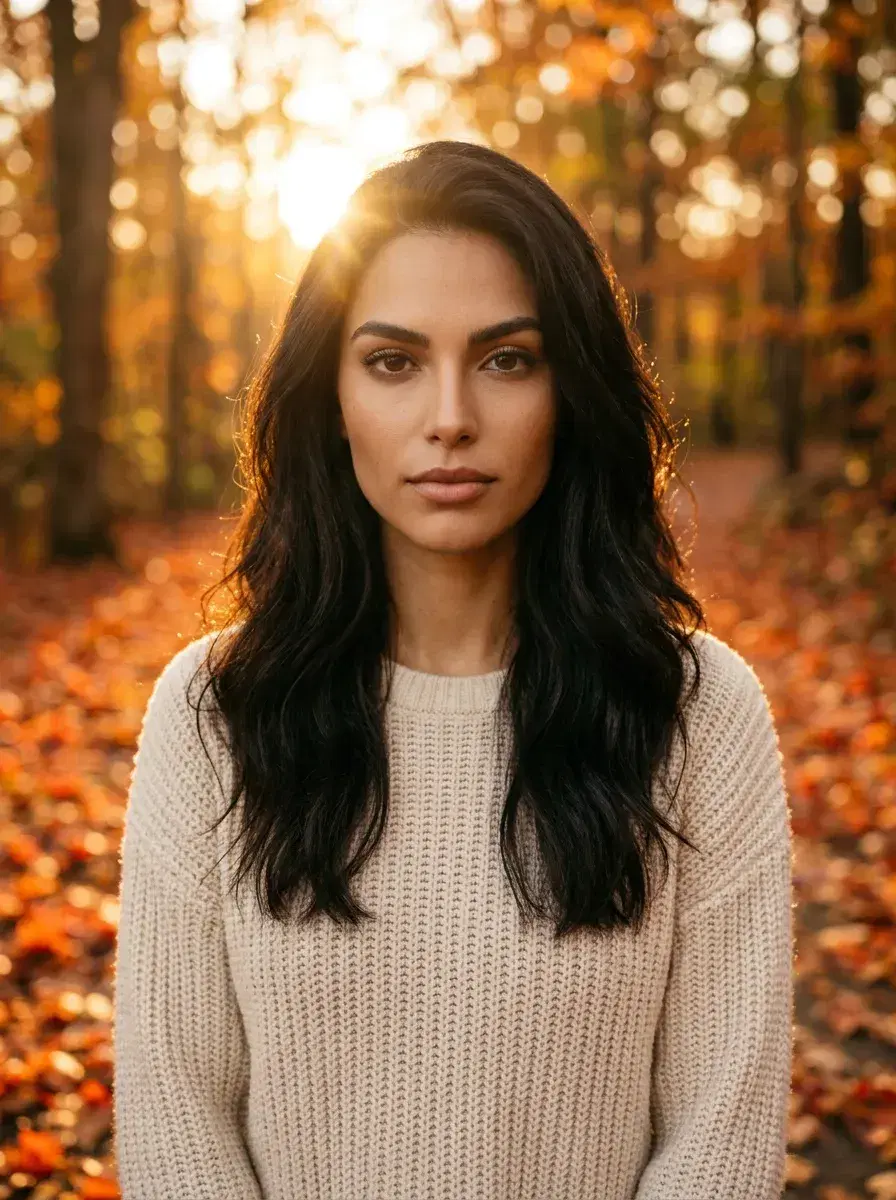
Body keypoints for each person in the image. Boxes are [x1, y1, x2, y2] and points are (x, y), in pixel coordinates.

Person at [112, 139, 794, 1200]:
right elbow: (174, 1116)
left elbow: (721, 1130)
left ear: (570, 390)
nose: (449, 418)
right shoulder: (216, 713)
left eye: (505, 359)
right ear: (328, 397)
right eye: (391, 362)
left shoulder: (696, 714)